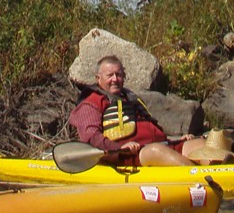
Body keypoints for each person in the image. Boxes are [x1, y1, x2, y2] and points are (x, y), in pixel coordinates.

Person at [69, 55, 222, 167]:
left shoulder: (129, 99)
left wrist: (178, 139)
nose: (115, 79)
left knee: (202, 145)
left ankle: (227, 171)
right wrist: (118, 148)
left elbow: (149, 130)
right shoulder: (91, 103)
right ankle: (198, 178)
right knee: (156, 150)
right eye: (110, 75)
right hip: (129, 156)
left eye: (119, 74)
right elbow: (90, 137)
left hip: (162, 146)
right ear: (98, 78)